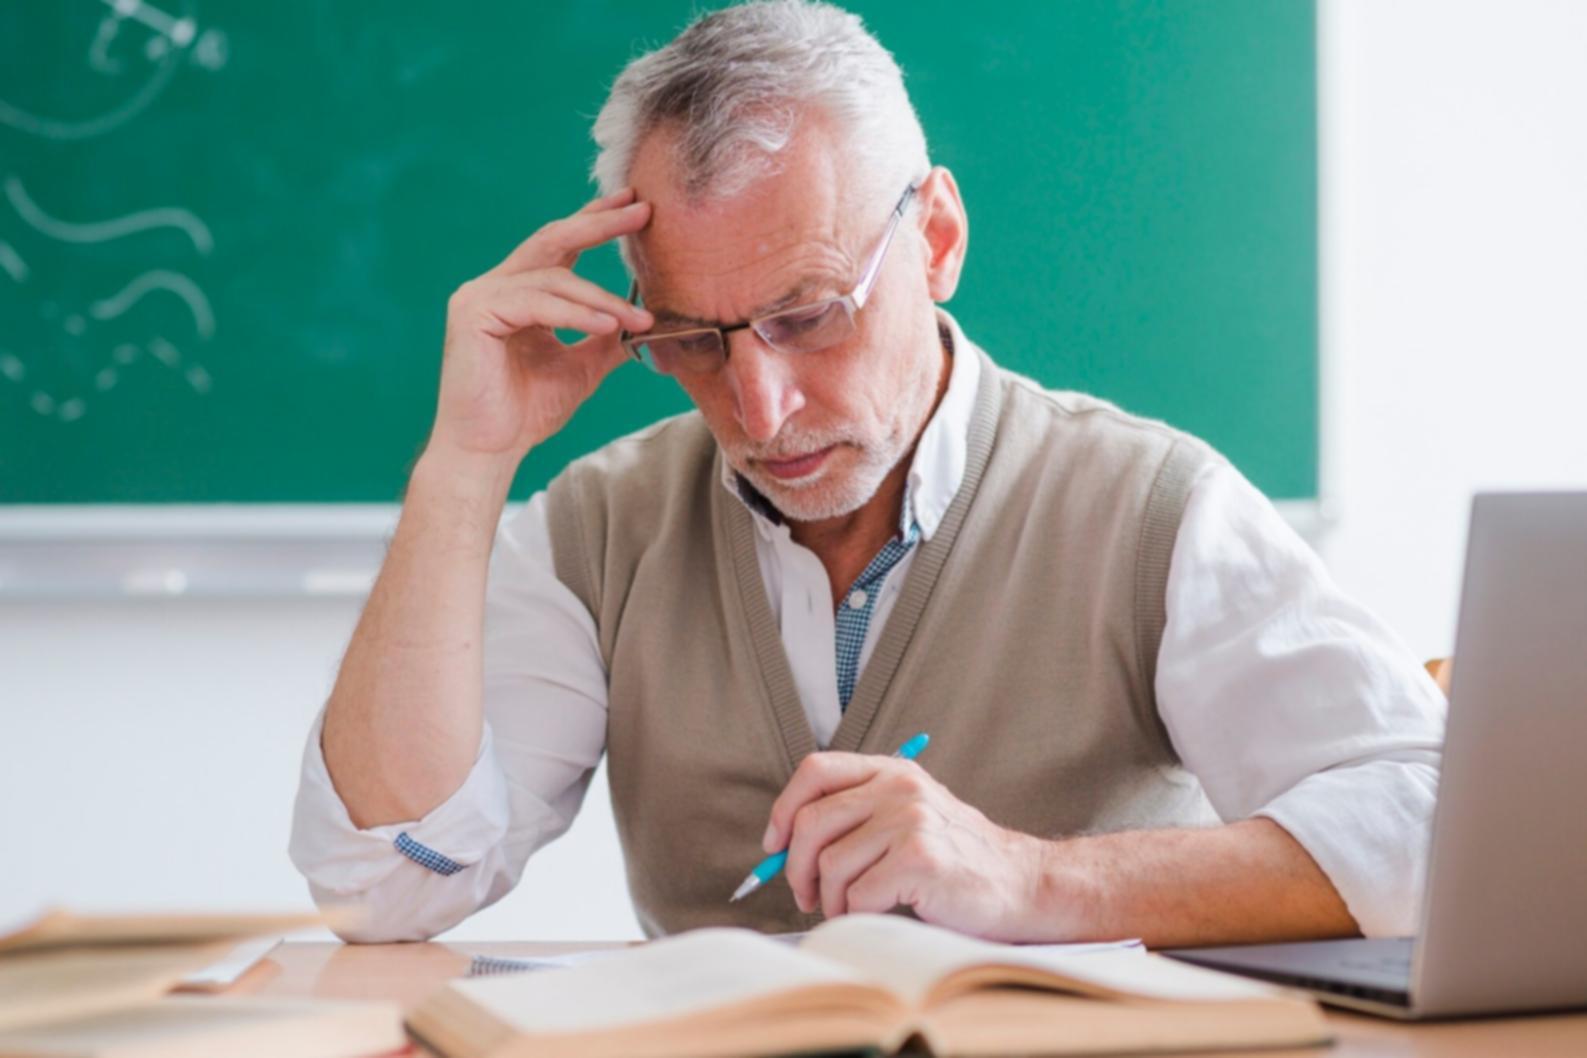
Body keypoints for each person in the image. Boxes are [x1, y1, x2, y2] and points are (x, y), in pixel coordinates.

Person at [289, 0, 1445, 945]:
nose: (760, 407)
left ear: (936, 238)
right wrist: (463, 466)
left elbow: (1441, 822)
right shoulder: (596, 534)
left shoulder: (1150, 508)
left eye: (809, 314)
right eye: (692, 338)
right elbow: (384, 887)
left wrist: (1036, 878)